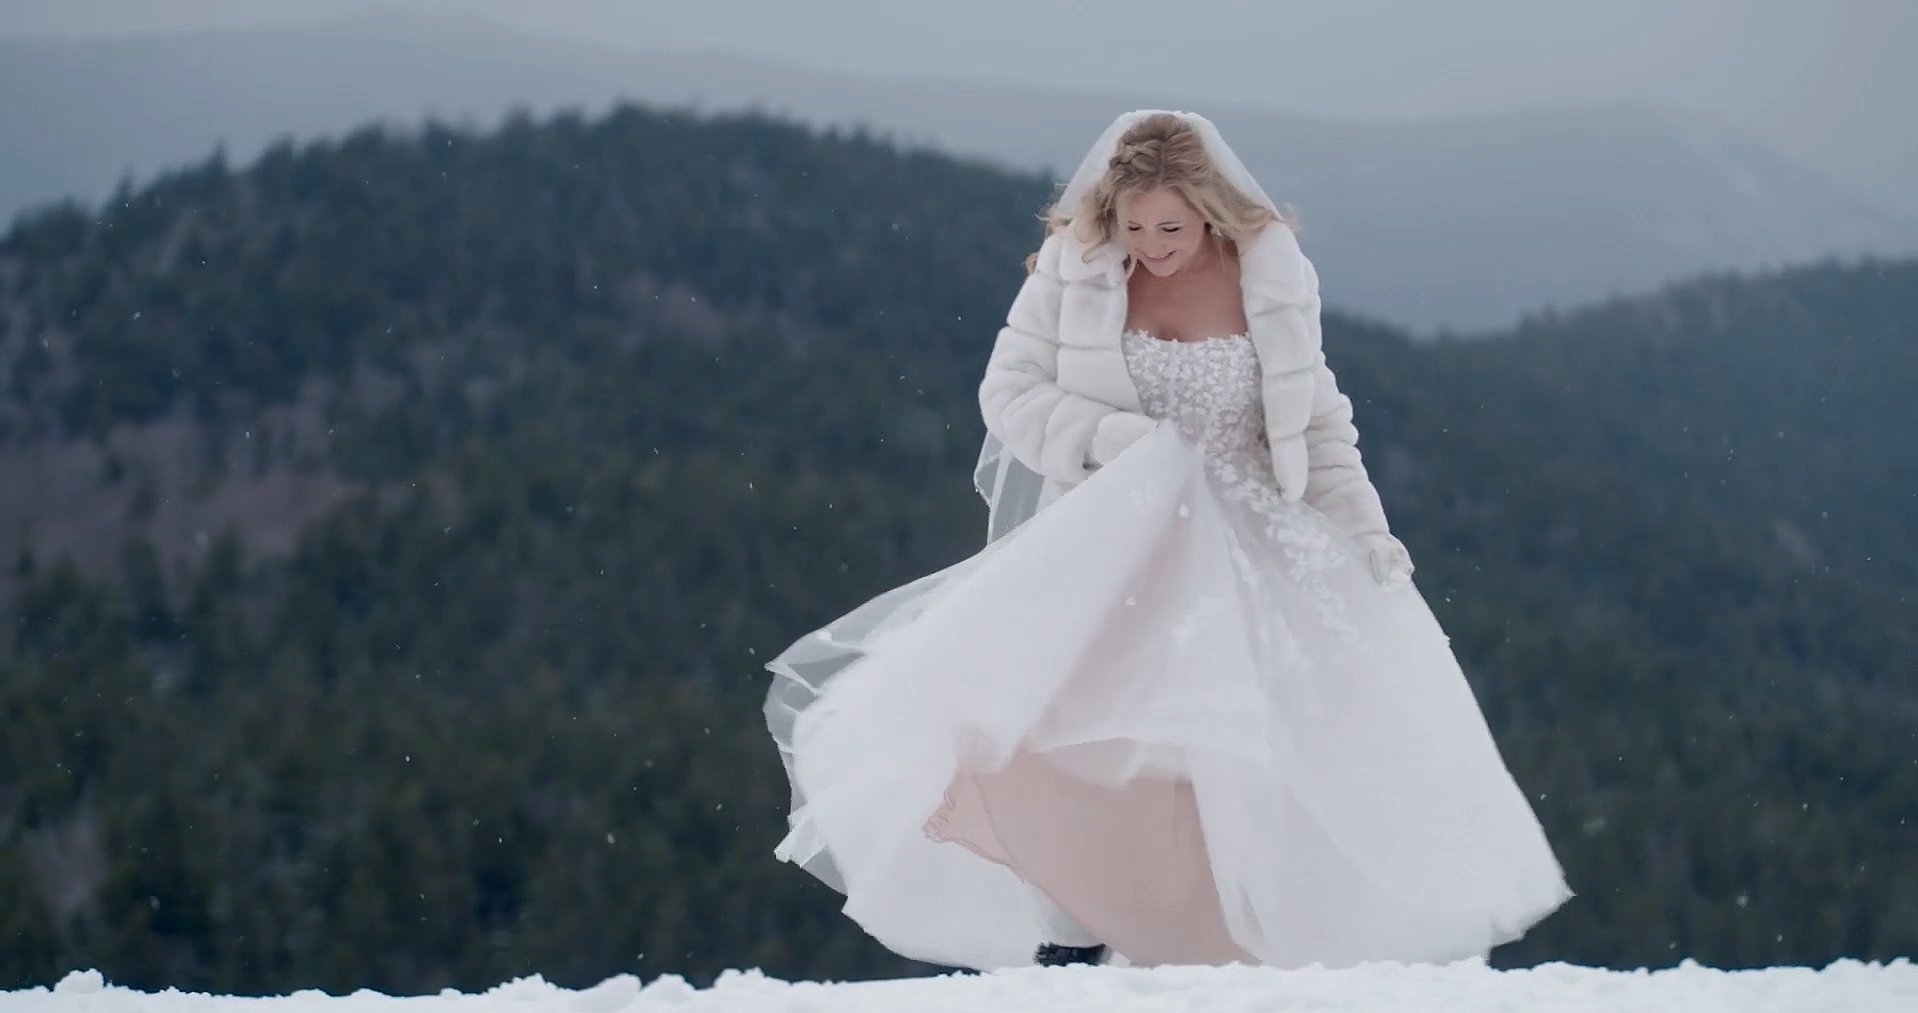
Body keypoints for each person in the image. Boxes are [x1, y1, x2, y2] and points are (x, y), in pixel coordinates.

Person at [764, 109, 1571, 972]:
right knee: (1079, 740)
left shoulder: (1272, 274)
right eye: (1135, 226)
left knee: (1257, 759)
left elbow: (1318, 415)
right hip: (1124, 538)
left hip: (1258, 540)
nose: (1151, 245)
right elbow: (1009, 391)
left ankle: (1235, 949)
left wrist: (1363, 526)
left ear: (1212, 210)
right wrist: (1115, 442)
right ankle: (1160, 933)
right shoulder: (1076, 271)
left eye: (1172, 227)